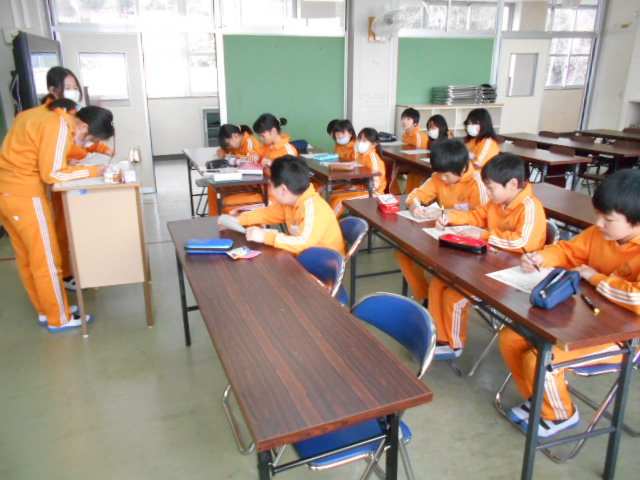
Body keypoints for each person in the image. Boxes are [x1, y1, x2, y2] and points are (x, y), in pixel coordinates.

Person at [501, 169, 640, 438]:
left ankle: (560, 414)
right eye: (597, 215)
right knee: (511, 338)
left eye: (608, 219)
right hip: (590, 318)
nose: (598, 223)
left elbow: (636, 298)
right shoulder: (600, 233)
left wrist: (594, 277)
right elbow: (567, 251)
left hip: (625, 338)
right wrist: (541, 258)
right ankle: (539, 399)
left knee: (541, 358)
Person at [0, 98, 114, 332]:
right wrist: (93, 170)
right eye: (91, 139)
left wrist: (76, 160)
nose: (87, 143)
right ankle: (59, 318)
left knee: (28, 259)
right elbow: (52, 174)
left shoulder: (39, 114)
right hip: (25, 196)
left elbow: (44, 151)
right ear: (84, 126)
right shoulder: (59, 126)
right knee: (47, 260)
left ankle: (47, 310)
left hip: (7, 193)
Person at [430, 153, 546, 359]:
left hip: (512, 277)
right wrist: (449, 217)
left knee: (453, 297)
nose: (488, 193)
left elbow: (522, 242)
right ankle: (440, 336)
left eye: (491, 188)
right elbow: (477, 215)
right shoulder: (497, 202)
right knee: (438, 281)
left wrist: (484, 235)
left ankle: (454, 346)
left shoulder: (529, 207)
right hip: (490, 266)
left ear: (512, 184)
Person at [396, 139, 488, 305]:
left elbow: (481, 217)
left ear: (462, 169)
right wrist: (414, 206)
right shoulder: (439, 177)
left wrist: (447, 213)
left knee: (432, 264)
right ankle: (426, 296)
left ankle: (432, 299)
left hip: (466, 238)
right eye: (440, 174)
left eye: (446, 175)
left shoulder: (476, 183)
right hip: (441, 230)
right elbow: (415, 195)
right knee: (405, 252)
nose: (442, 178)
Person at [220, 155, 345, 256]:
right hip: (304, 256)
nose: (270, 190)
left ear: (283, 190)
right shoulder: (291, 202)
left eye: (271, 185)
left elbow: (303, 242)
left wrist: (265, 237)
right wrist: (238, 220)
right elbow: (267, 213)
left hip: (323, 266)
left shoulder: (314, 209)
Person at [329, 127, 386, 217]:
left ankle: (330, 221)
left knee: (340, 200)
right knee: (335, 195)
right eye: (359, 139)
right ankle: (330, 218)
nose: (360, 142)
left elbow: (376, 185)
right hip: (362, 188)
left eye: (364, 140)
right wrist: (353, 185)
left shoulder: (373, 159)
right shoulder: (360, 156)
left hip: (373, 193)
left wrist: (357, 187)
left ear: (374, 144)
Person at [207, 124, 262, 216]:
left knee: (222, 197)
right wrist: (221, 152)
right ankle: (213, 217)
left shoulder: (250, 143)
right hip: (239, 179)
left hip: (250, 184)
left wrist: (229, 157)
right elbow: (222, 150)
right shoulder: (235, 142)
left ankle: (222, 217)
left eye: (228, 144)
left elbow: (248, 162)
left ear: (235, 136)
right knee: (212, 187)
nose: (228, 147)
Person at [405, 114, 454, 194]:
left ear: (441, 127)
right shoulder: (432, 141)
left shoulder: (448, 141)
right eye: (429, 128)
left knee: (422, 179)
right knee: (413, 173)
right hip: (431, 168)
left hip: (443, 172)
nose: (431, 130)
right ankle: (410, 194)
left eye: (433, 127)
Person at [389, 108, 429, 194]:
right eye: (403, 118)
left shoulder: (418, 136)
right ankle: (394, 192)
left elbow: (419, 158)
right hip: (408, 161)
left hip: (418, 165)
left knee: (393, 167)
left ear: (415, 122)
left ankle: (399, 193)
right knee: (389, 163)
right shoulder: (406, 134)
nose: (404, 121)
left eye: (408, 119)